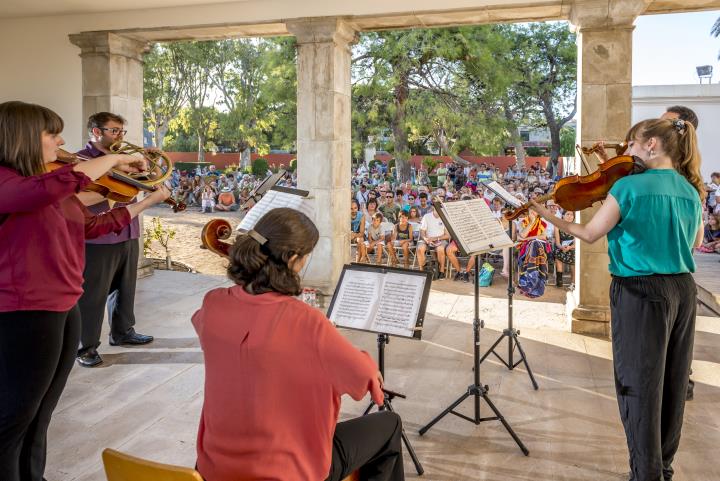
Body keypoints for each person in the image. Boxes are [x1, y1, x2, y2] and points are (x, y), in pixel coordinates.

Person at [0, 101, 170, 481]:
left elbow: (91, 227)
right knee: (14, 416)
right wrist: (110, 162)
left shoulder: (46, 184)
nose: (61, 141)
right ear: (22, 137)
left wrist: (145, 200)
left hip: (62, 303)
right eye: (52, 133)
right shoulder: (13, 184)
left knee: (41, 411)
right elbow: (57, 185)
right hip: (23, 311)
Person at [530, 118, 705, 481]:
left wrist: (549, 216)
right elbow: (695, 243)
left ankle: (646, 474)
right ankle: (664, 468)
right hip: (683, 291)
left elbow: (590, 232)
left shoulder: (628, 187)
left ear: (653, 145)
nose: (625, 153)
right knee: (673, 383)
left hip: (641, 293)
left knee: (639, 386)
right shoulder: (691, 190)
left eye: (631, 146)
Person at [192, 208, 404, 481]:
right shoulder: (307, 322)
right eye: (305, 256)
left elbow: (228, 338)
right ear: (292, 258)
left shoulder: (213, 302)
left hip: (215, 468)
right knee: (389, 424)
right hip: (285, 474)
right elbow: (363, 378)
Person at [74, 112, 158, 368]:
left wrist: (150, 164)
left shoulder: (127, 159)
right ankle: (85, 347)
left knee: (126, 287)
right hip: (98, 237)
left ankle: (123, 332)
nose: (120, 136)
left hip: (128, 230)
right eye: (114, 131)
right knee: (93, 296)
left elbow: (147, 184)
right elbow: (79, 197)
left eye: (122, 131)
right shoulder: (83, 160)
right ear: (96, 132)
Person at [417, 206, 449, 278]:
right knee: (420, 248)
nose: (440, 208)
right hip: (427, 239)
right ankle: (422, 269)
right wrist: (426, 239)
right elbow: (422, 231)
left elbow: (447, 235)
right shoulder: (427, 216)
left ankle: (441, 271)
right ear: (434, 207)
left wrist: (436, 238)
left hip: (440, 239)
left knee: (440, 249)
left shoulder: (445, 218)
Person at [552, 210, 576, 289]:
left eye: (571, 214)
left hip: (572, 248)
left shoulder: (576, 227)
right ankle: (559, 280)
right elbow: (557, 242)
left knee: (574, 256)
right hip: (561, 247)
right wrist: (562, 247)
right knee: (558, 253)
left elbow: (577, 243)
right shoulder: (557, 226)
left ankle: (573, 282)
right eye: (567, 214)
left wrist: (570, 247)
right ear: (563, 216)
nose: (570, 216)